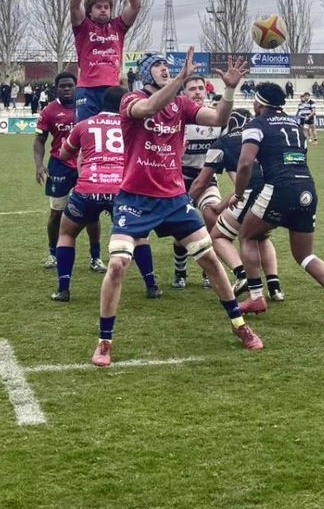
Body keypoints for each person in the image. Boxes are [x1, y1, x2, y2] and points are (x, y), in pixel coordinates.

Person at [93, 49, 262, 367]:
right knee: (117, 265)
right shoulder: (130, 100)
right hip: (134, 200)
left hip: (173, 199)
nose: (164, 69)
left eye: (166, 66)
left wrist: (228, 89)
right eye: (157, 66)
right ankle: (104, 342)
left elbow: (218, 119)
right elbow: (150, 107)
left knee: (210, 259)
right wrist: (181, 80)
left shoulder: (181, 104)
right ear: (145, 74)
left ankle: (240, 325)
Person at [224, 82, 324, 326]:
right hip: (307, 188)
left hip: (280, 187)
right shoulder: (295, 123)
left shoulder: (256, 124)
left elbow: (244, 164)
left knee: (248, 236)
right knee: (304, 255)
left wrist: (239, 193)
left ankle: (256, 297)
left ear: (259, 103)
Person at [50, 86, 157, 302]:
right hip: (122, 189)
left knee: (67, 233)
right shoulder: (132, 125)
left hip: (89, 187)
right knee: (139, 236)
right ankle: (152, 285)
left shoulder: (84, 125)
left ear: (101, 104)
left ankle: (63, 289)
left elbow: (63, 154)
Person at [189, 108, 283, 303]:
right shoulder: (260, 136)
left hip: (253, 192)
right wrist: (220, 206)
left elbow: (201, 182)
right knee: (261, 236)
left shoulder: (222, 143)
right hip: (277, 191)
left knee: (217, 236)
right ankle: (275, 287)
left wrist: (185, 202)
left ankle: (242, 275)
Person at [35, 72, 103, 271]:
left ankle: (95, 257)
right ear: (57, 89)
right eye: (62, 86)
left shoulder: (88, 108)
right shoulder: (49, 111)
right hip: (59, 164)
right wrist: (39, 165)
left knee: (92, 213)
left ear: (77, 87)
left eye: (70, 86)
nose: (66, 89)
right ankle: (53, 254)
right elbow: (39, 140)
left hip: (88, 165)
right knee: (56, 213)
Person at [70, 0, 143, 120]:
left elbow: (135, 6)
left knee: (115, 130)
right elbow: (74, 6)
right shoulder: (83, 27)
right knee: (86, 132)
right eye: (98, 7)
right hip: (87, 89)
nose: (103, 10)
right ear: (90, 11)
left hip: (112, 89)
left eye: (106, 7)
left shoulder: (118, 27)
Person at [174, 75, 223, 287]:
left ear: (206, 91)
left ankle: (207, 271)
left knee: (212, 215)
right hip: (180, 179)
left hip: (206, 179)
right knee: (181, 229)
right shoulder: (177, 119)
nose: (196, 92)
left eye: (200, 88)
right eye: (192, 88)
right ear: (184, 93)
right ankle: (180, 271)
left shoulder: (215, 118)